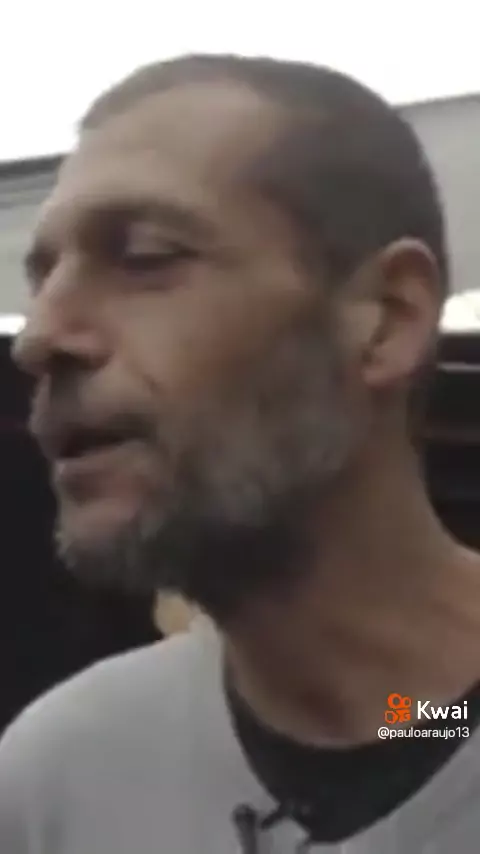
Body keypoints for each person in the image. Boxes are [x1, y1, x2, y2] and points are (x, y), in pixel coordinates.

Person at [0, 53, 479, 854]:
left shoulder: (430, 719)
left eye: (145, 257)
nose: (40, 336)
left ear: (387, 317)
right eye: (41, 279)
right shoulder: (61, 779)